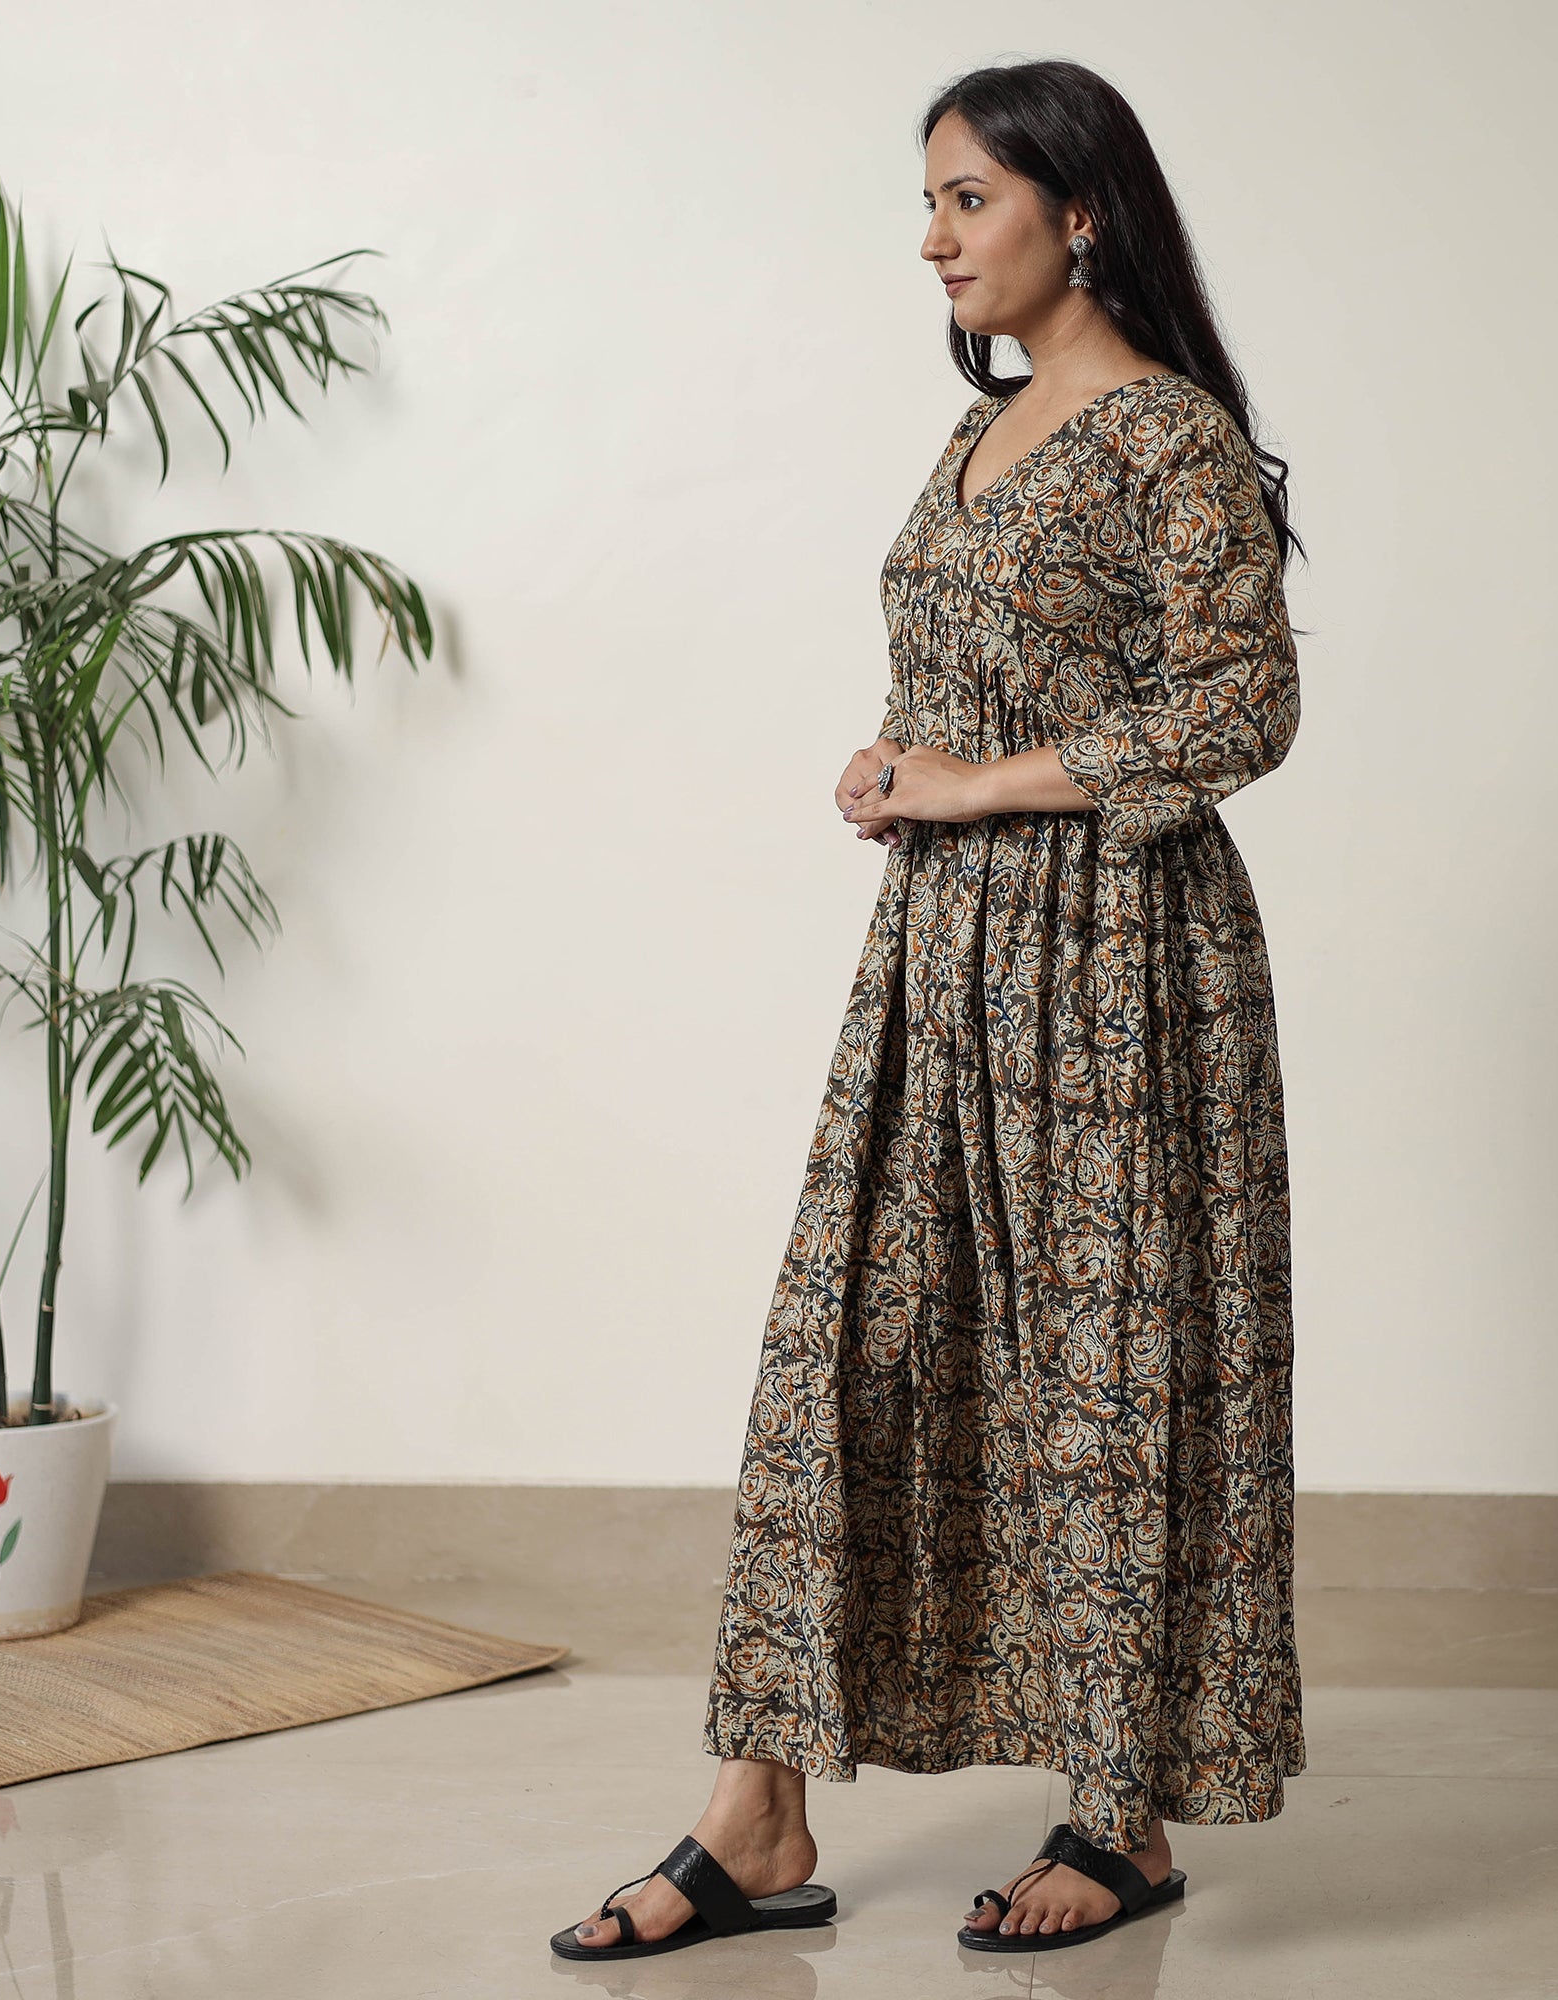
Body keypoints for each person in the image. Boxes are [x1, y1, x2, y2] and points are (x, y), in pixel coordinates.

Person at [554, 54, 1306, 1963]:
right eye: (931, 202)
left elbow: (1247, 705)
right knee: (847, 1352)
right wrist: (903, 759)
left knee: (1102, 1378)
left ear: (1083, 211)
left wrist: (980, 784)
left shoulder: (1168, 436)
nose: (935, 240)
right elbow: (990, 672)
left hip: (1120, 971)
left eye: (970, 198)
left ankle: (1119, 1815)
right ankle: (758, 1810)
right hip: (940, 961)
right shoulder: (983, 428)